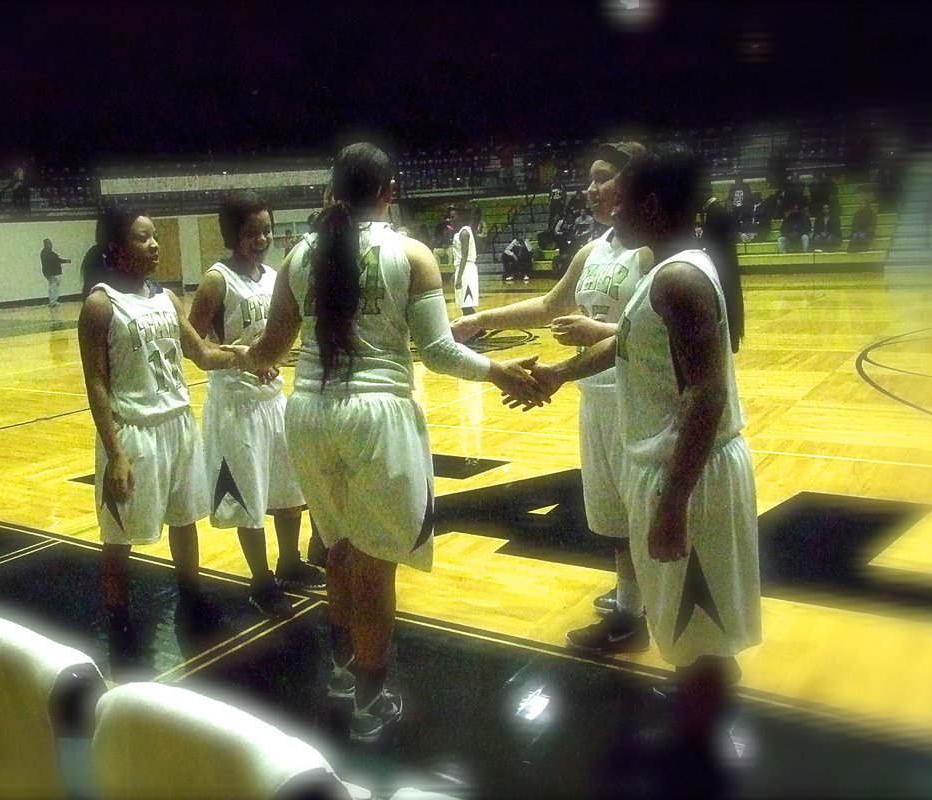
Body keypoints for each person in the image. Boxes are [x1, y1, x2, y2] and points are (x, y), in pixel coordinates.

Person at [238, 143, 545, 743]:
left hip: (306, 412)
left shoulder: (299, 255)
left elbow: (269, 350)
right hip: (377, 415)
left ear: (332, 193)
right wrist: (499, 371)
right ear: (390, 191)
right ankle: (371, 702)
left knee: (338, 549)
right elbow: (435, 352)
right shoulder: (412, 254)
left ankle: (341, 668)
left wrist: (223, 355)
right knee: (376, 562)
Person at [514, 144, 759, 786]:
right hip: (680, 466)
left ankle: (697, 755)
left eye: (620, 196)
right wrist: (560, 374)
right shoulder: (669, 268)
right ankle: (702, 718)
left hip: (689, 471)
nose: (609, 208)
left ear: (649, 204)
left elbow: (708, 395)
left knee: (694, 623)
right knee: (693, 622)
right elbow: (629, 346)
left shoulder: (678, 277)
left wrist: (673, 503)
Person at [453, 142, 655, 653]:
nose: (590, 188)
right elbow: (548, 305)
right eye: (589, 178)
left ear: (632, 184)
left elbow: (656, 329)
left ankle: (639, 612)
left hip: (642, 397)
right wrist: (481, 319)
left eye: (602, 178)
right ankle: (632, 594)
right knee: (611, 511)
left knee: (643, 507)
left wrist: (598, 329)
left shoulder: (651, 251)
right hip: (596, 395)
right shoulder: (593, 251)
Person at [77, 204, 242, 673]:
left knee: (186, 519)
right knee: (119, 537)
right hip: (134, 434)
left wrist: (249, 355)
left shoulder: (168, 299)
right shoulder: (100, 305)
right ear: (116, 246)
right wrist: (116, 455)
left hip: (179, 424)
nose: (154, 244)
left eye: (154, 237)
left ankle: (191, 596)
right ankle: (119, 620)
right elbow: (97, 385)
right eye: (142, 238)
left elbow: (204, 354)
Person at [188, 192, 324, 620]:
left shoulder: (274, 275)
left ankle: (289, 561)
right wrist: (241, 359)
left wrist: (271, 358)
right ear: (233, 234)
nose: (262, 237)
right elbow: (193, 342)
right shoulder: (217, 279)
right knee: (249, 497)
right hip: (236, 404)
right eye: (252, 231)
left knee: (288, 491)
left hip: (273, 399)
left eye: (266, 229)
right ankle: (260, 579)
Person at [452, 204, 482, 317]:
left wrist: (459, 276)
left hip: (466, 270)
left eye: (453, 217)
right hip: (462, 268)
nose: (451, 219)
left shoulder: (464, 232)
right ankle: (477, 329)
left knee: (466, 305)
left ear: (459, 218)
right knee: (463, 304)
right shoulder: (461, 231)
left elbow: (464, 256)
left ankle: (478, 329)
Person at [40, 238, 72, 307]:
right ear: (45, 245)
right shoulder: (46, 253)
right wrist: (66, 261)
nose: (50, 245)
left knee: (55, 286)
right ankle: (52, 301)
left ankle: (54, 300)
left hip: (54, 273)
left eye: (50, 243)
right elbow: (56, 260)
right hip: (51, 273)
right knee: (53, 286)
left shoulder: (48, 252)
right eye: (48, 243)